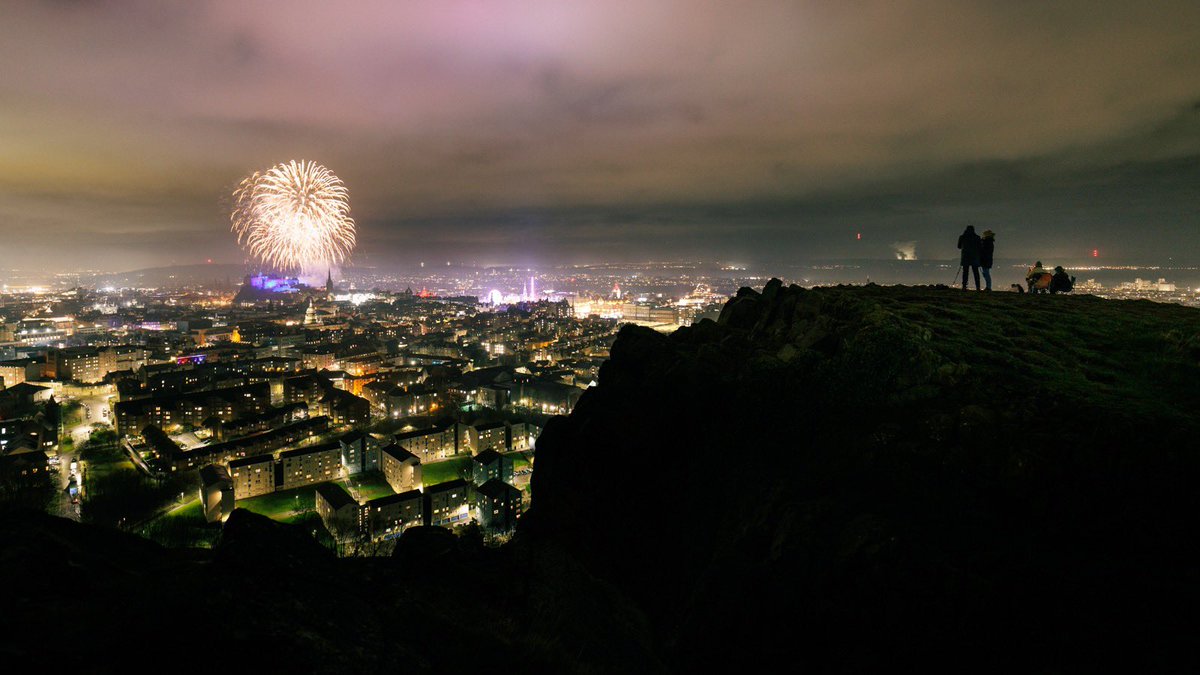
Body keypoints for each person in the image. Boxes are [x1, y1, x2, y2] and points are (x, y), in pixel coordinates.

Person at [957, 226, 982, 291]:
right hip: (974, 257)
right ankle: (978, 287)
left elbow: (959, 246)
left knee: (965, 272)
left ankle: (964, 286)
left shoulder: (962, 237)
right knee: (976, 272)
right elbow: (980, 247)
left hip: (965, 256)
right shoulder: (977, 237)